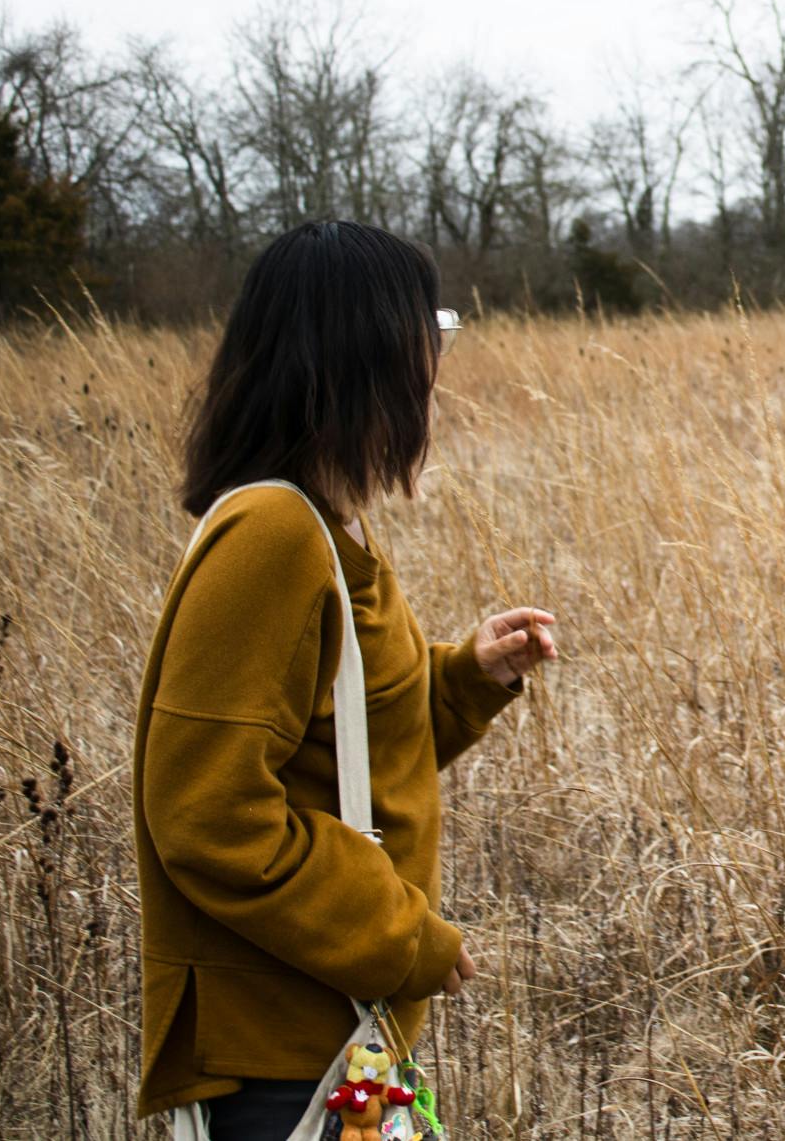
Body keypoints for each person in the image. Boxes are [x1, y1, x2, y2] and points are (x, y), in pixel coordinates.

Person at [130, 220, 559, 1137]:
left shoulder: (329, 526)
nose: (439, 366)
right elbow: (206, 816)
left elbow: (351, 746)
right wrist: (402, 937)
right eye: (427, 336)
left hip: (332, 1042)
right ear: (367, 359)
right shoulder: (275, 541)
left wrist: (464, 678)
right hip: (283, 1053)